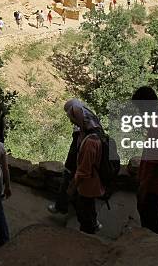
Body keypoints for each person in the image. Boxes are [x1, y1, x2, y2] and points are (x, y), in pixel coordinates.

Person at [47, 99, 102, 220]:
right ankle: (87, 219)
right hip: (81, 165)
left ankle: (89, 223)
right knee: (84, 197)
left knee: (84, 196)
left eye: (71, 118)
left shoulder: (90, 138)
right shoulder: (89, 124)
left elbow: (83, 159)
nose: (71, 121)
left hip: (81, 167)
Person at [132, 86, 158, 235]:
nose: (139, 111)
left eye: (139, 107)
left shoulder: (156, 127)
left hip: (153, 184)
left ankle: (156, 245)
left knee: (149, 217)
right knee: (153, 213)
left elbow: (157, 162)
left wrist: (143, 186)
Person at [66, 100, 105, 234]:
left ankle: (87, 234)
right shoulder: (90, 131)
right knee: (88, 206)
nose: (72, 122)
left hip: (88, 183)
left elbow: (84, 170)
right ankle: (93, 225)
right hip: (91, 181)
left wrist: (73, 185)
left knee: (84, 210)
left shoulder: (91, 141)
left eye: (73, 119)